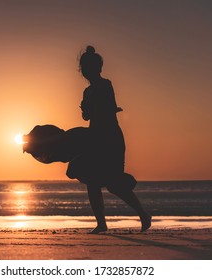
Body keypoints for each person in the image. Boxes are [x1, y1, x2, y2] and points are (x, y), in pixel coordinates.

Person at [74, 45, 151, 234]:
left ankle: (142, 214)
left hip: (110, 138)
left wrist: (99, 109)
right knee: (92, 182)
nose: (85, 72)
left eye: (88, 68)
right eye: (83, 69)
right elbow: (87, 116)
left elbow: (109, 108)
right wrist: (85, 109)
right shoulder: (87, 92)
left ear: (98, 68)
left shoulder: (106, 85)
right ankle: (101, 224)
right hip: (95, 138)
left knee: (114, 184)